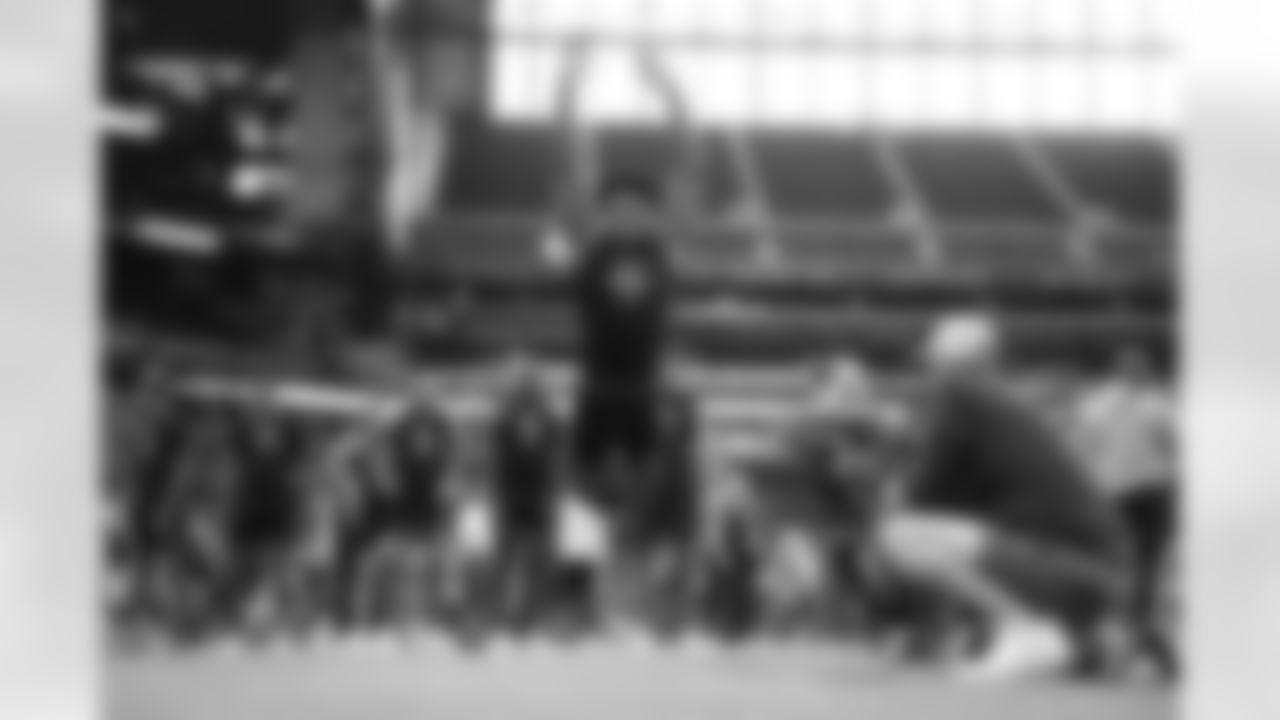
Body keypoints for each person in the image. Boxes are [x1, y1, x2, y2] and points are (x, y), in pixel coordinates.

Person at [873, 313, 1133, 681]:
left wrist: (892, 504)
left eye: (930, 359)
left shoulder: (959, 398)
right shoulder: (1003, 406)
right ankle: (1066, 634)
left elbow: (923, 496)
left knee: (900, 534)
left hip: (1069, 568)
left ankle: (1025, 629)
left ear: (942, 363)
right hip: (1101, 573)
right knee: (939, 536)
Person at [546, 38, 705, 632]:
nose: (628, 214)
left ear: (655, 213)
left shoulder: (669, 248)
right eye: (617, 206)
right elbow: (567, 155)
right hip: (596, 390)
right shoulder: (589, 244)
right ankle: (574, 598)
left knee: (652, 500)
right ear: (604, 211)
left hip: (644, 395)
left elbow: (690, 156)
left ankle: (648, 599)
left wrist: (670, 90)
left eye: (641, 207)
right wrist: (568, 80)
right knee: (580, 495)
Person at [1074, 347, 1178, 674]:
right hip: (1133, 493)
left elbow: (1082, 449)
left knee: (1131, 567)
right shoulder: (1148, 403)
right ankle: (1135, 631)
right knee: (1135, 568)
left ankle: (1129, 632)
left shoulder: (1104, 405)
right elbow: (1170, 443)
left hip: (1129, 494)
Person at [491, 360, 562, 634]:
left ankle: (529, 616)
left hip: (533, 499)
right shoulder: (511, 420)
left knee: (529, 561)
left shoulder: (542, 419)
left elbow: (554, 459)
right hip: (517, 499)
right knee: (514, 561)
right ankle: (515, 616)